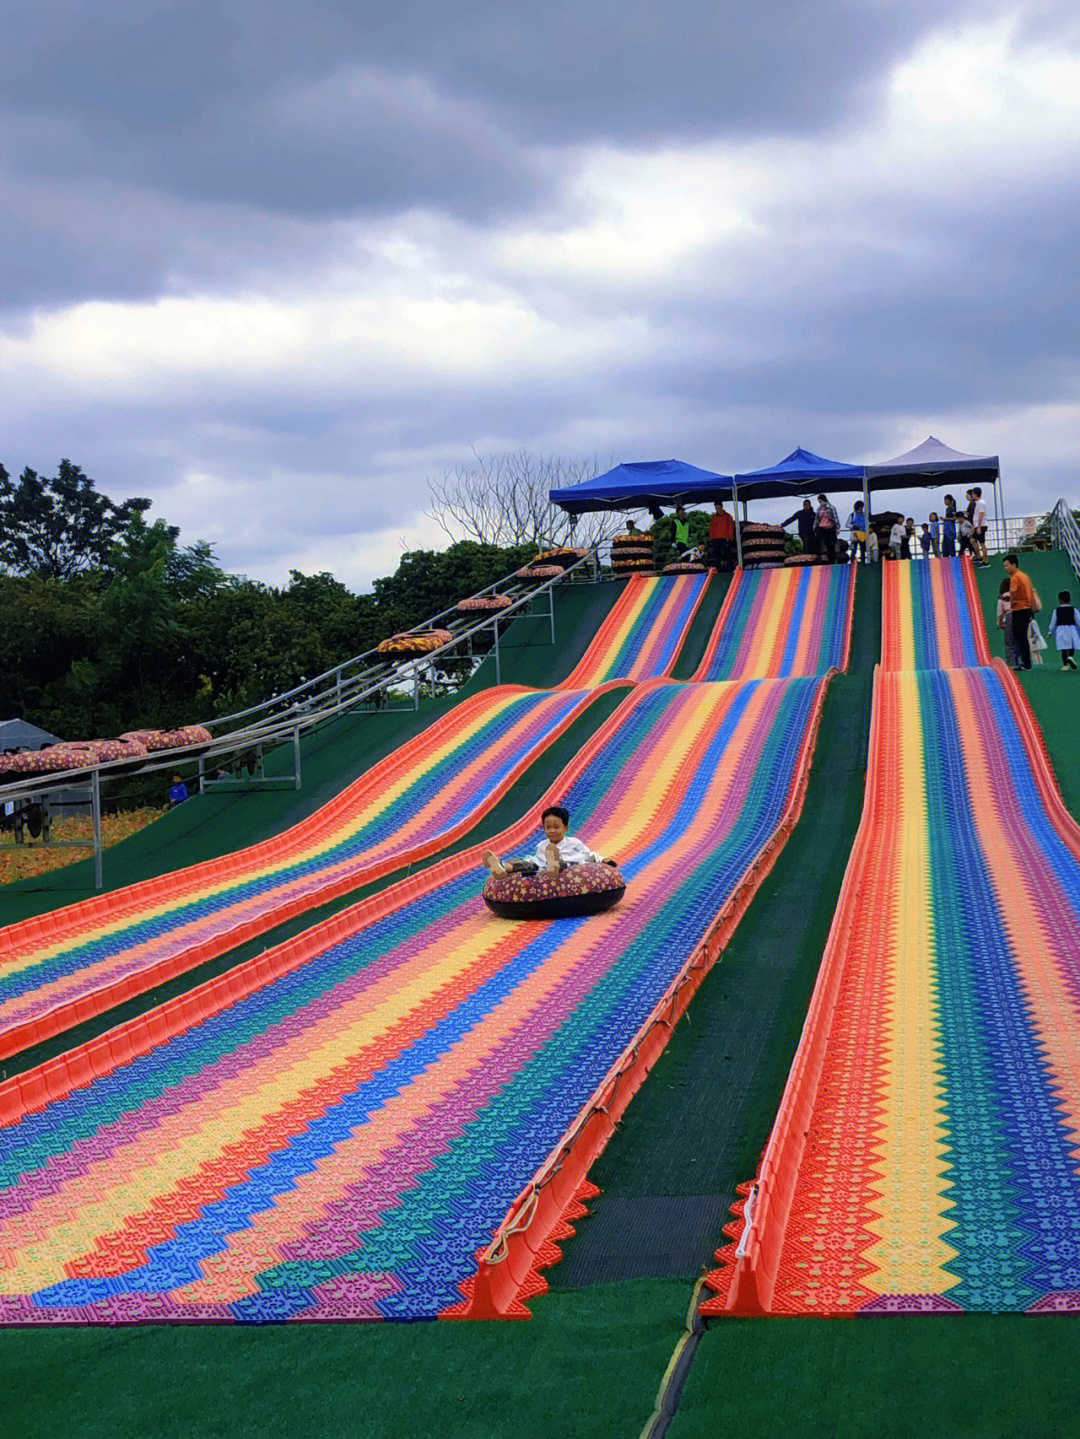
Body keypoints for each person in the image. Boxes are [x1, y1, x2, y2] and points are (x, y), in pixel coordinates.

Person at [483, 805, 615, 876]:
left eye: (557, 827)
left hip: (567, 866)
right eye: (548, 827)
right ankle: (502, 867)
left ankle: (555, 864)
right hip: (542, 866)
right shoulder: (542, 845)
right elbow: (536, 859)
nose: (552, 831)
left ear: (566, 828)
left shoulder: (574, 843)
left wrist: (604, 860)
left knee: (565, 865)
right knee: (526, 863)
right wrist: (528, 862)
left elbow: (589, 855)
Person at [1004, 554, 1037, 670]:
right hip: (1027, 608)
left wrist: (1012, 602)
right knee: (1023, 636)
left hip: (1019, 609)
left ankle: (1025, 663)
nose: (1006, 568)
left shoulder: (1015, 577)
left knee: (1019, 637)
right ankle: (1026, 662)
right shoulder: (1024, 576)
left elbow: (1013, 590)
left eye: (1007, 565)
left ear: (1013, 564)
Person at [1049, 591, 1080, 670]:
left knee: (1063, 647)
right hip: (1071, 629)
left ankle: (1065, 665)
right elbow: (1078, 620)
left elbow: (1053, 622)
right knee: (1071, 645)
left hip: (1061, 629)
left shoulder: (1056, 611)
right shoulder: (1074, 610)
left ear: (1060, 600)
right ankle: (1070, 657)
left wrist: (1050, 631)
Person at [708, 500, 736, 571]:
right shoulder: (714, 517)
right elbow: (711, 527)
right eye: (716, 508)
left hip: (724, 538)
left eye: (718, 507)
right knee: (717, 555)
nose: (717, 509)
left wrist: (729, 536)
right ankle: (718, 569)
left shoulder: (727, 516)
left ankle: (730, 569)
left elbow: (730, 526)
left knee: (727, 554)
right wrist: (711, 537)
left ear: (721, 507)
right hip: (716, 538)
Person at [996, 579, 1017, 668]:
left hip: (1009, 617)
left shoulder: (1002, 597)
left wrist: (999, 623)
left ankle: (1011, 662)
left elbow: (1000, 612)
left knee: (1009, 642)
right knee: (1019, 640)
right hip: (1019, 615)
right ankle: (1021, 660)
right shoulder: (1017, 595)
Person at [814, 494, 840, 563]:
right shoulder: (819, 509)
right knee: (818, 542)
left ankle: (831, 560)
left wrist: (837, 527)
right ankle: (818, 558)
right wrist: (814, 527)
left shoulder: (831, 507)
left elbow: (835, 517)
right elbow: (817, 519)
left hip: (830, 528)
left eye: (820, 501)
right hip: (821, 527)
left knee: (830, 545)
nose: (820, 503)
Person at [971, 487, 989, 565]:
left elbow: (981, 514)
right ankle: (979, 557)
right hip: (978, 526)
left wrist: (978, 527)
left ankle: (985, 561)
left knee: (981, 543)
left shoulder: (981, 503)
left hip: (981, 526)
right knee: (973, 540)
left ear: (975, 494)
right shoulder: (978, 502)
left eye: (972, 494)